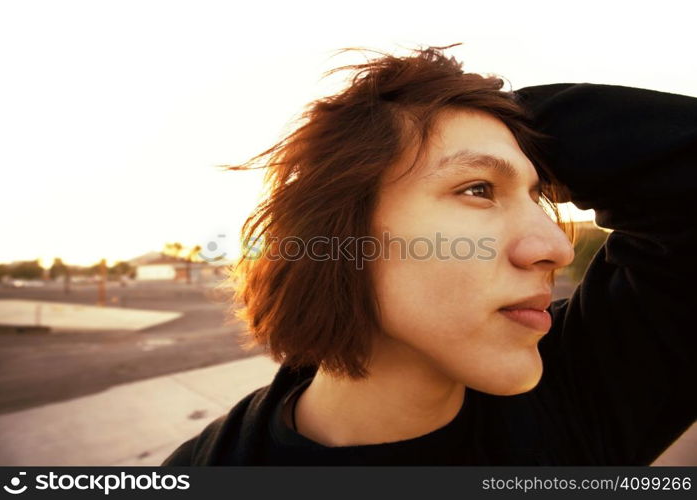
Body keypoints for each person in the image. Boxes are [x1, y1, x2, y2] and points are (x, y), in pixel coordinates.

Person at [161, 45, 696, 465]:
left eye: (537, 197)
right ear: (339, 234)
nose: (555, 247)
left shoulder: (583, 393)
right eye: (478, 189)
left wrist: (493, 115)